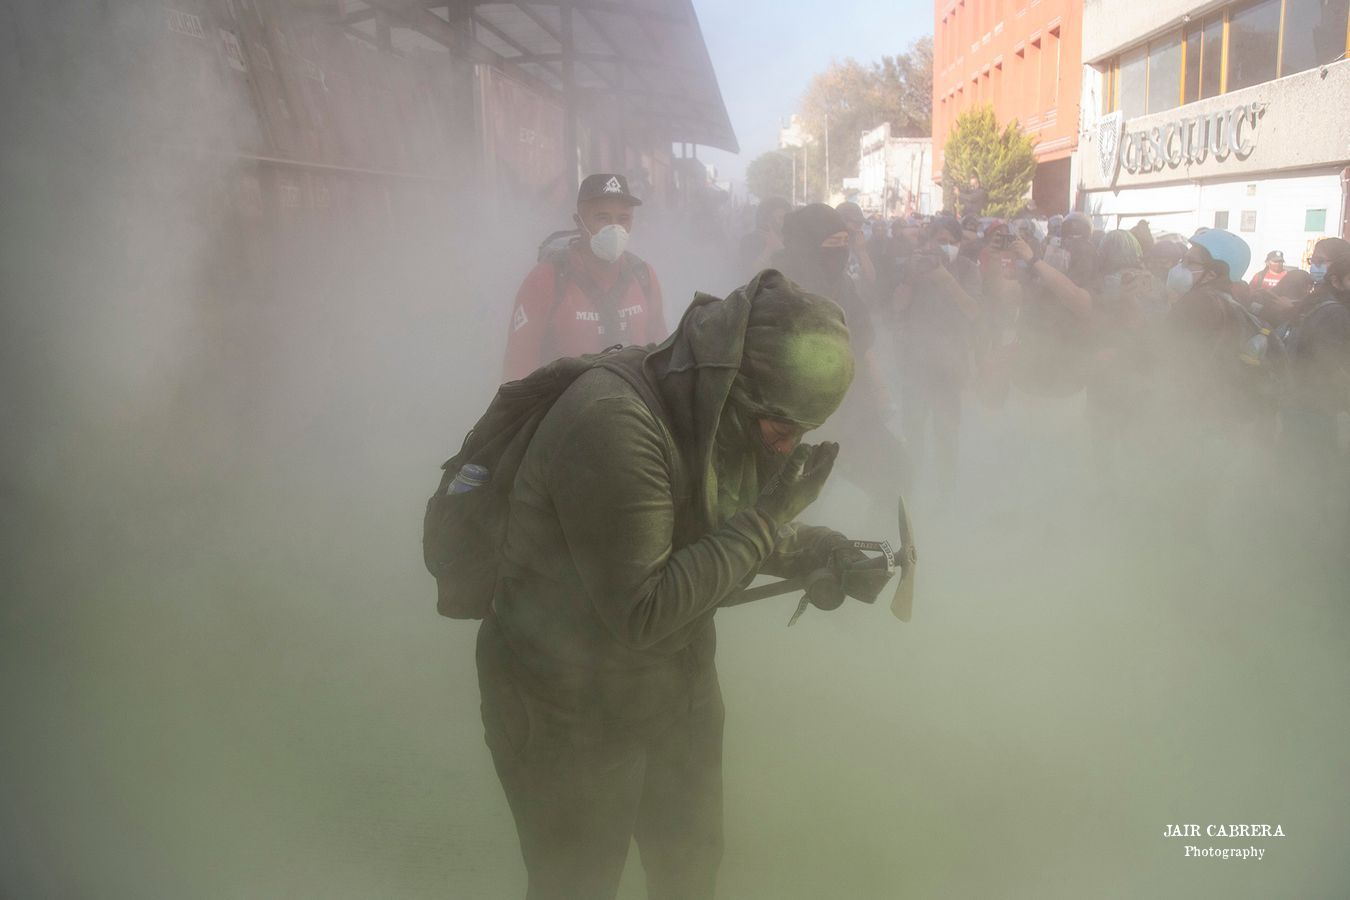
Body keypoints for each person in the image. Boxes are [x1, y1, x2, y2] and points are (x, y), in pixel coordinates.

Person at [477, 270, 889, 899]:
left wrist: (824, 550)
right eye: (781, 430)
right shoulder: (613, 421)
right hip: (564, 700)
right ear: (737, 387)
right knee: (577, 884)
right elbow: (644, 608)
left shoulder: (716, 408)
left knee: (689, 868)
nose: (786, 450)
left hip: (674, 683)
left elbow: (718, 523)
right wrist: (769, 518)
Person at [772, 204, 907, 521]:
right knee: (798, 502)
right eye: (832, 245)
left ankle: (877, 550)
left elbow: (861, 337)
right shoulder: (776, 287)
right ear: (807, 244)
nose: (841, 253)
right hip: (798, 417)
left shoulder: (841, 283)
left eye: (845, 243)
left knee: (895, 474)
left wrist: (879, 387)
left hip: (851, 407)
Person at [502, 173, 666, 380]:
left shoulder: (644, 277)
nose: (615, 228)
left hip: (634, 407)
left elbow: (661, 359)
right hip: (564, 409)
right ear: (579, 221)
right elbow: (517, 370)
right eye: (602, 218)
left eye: (623, 218)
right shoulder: (546, 280)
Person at [891, 215, 981, 497]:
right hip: (915, 363)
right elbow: (896, 307)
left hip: (950, 366)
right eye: (941, 241)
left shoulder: (966, 268)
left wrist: (946, 278)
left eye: (953, 242)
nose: (947, 247)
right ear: (928, 242)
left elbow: (973, 312)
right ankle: (908, 494)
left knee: (947, 437)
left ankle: (946, 497)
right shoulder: (912, 266)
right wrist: (909, 277)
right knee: (913, 436)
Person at [738, 195, 790, 280]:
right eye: (780, 218)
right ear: (766, 220)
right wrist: (769, 249)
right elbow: (751, 275)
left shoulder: (791, 240)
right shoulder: (750, 241)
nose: (784, 222)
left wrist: (781, 248)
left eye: (786, 217)